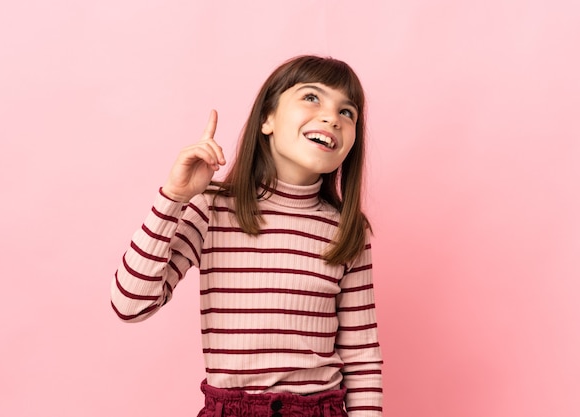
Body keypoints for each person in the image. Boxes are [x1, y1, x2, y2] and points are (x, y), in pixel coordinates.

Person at [111, 55, 383, 417]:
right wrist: (173, 197)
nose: (332, 117)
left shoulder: (347, 230)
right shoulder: (212, 208)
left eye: (347, 112)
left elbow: (361, 356)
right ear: (267, 119)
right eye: (312, 98)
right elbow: (131, 304)